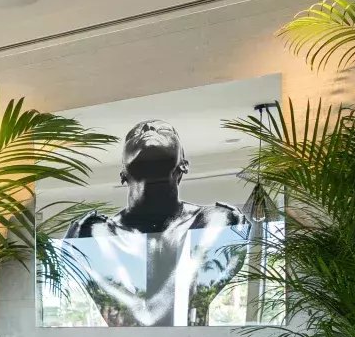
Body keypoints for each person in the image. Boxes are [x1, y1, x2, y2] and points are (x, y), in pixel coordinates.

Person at [63, 119, 247, 326]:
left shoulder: (215, 219)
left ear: (184, 165)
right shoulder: (92, 231)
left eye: (165, 130)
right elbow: (137, 319)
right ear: (122, 173)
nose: (148, 129)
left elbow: (165, 313)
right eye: (135, 134)